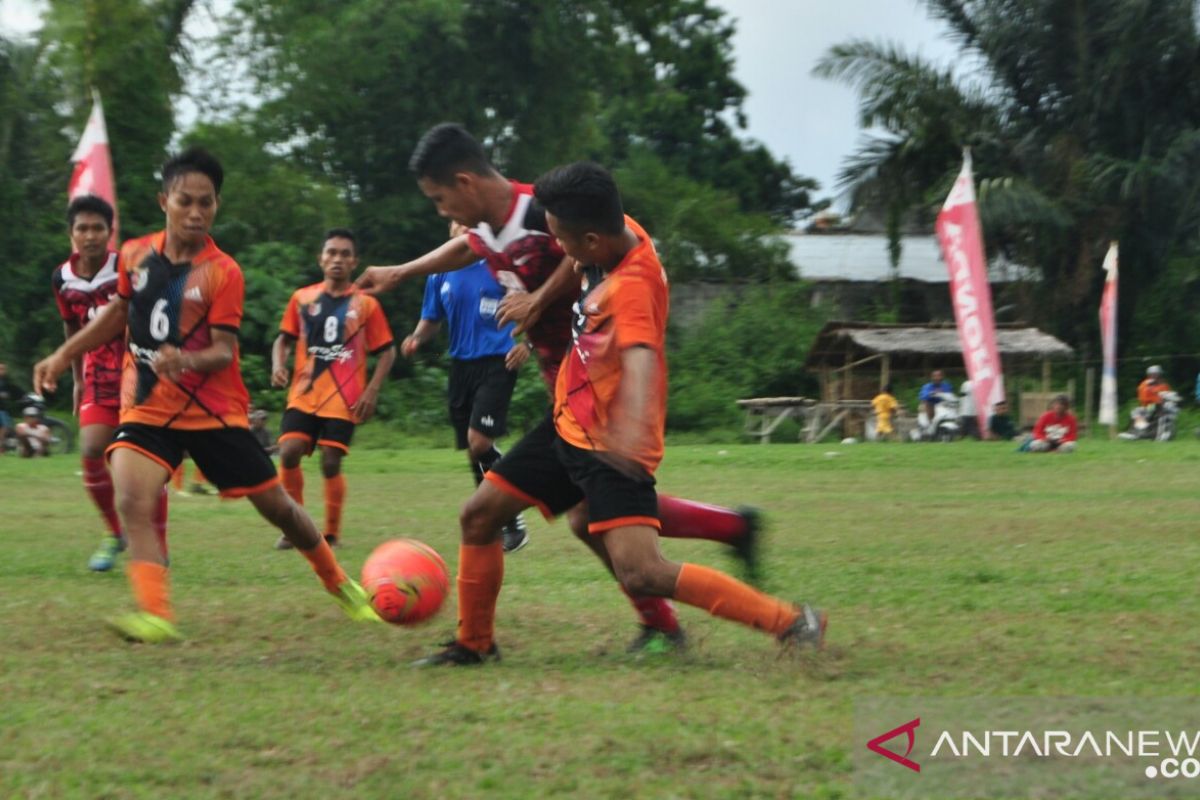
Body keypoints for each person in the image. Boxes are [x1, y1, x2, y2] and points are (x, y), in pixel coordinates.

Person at [358, 124, 760, 653]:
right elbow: (469, 247)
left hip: (596, 384)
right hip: (564, 382)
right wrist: (403, 272)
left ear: (465, 182)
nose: (439, 210)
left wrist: (540, 301)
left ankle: (692, 615)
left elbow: (592, 254)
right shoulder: (491, 226)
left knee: (593, 519)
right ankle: (721, 543)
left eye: (439, 198)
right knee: (588, 517)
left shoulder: (539, 212)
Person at [412, 163, 825, 666]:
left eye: (562, 241)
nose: (558, 251)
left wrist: (628, 434)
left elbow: (642, 358)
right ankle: (474, 645)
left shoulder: (631, 289)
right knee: (480, 515)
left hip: (610, 446)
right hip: (568, 423)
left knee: (642, 571)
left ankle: (790, 621)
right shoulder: (616, 232)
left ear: (590, 240)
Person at [33, 147, 378, 643]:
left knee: (279, 508)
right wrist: (65, 355)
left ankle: (340, 584)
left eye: (207, 203)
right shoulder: (134, 254)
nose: (196, 213)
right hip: (148, 408)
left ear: (216, 206)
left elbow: (222, 352)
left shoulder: (223, 272)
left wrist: (184, 360)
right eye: (185, 201)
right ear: (163, 201)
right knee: (133, 497)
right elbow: (118, 314)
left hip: (213, 414)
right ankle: (156, 614)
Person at [53, 195, 169, 571]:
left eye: (97, 228)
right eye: (82, 228)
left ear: (110, 232)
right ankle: (115, 532)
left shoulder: (129, 265)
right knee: (90, 449)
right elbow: (71, 326)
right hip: (97, 375)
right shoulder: (62, 278)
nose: (90, 236)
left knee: (146, 460)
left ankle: (159, 546)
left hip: (139, 371)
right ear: (71, 234)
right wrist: (75, 379)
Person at [403, 222, 530, 553]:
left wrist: (527, 343)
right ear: (449, 228)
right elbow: (432, 318)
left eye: (470, 223)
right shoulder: (440, 272)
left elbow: (535, 305)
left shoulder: (500, 265)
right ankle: (492, 517)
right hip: (461, 365)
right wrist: (417, 338)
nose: (462, 226)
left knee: (480, 442)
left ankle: (512, 517)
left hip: (499, 361)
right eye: (457, 221)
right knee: (474, 450)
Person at [270, 228, 396, 550]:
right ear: (321, 258)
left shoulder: (366, 304)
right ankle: (294, 527)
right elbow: (282, 338)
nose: (337, 259)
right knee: (288, 452)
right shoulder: (301, 298)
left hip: (344, 397)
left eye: (344, 254)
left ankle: (330, 533)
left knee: (330, 461)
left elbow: (387, 351)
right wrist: (278, 364)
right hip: (304, 392)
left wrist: (372, 391)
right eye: (331, 253)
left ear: (354, 261)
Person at [0, 362, 17, 454]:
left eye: (4, 369)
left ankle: (5, 447)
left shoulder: (3, 381)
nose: (3, 371)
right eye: (1, 369)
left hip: (3, 409)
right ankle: (1, 448)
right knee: (4, 427)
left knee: (8, 427)